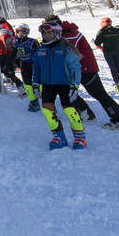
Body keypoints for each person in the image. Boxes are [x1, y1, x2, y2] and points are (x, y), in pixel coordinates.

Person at [44, 14, 119, 130]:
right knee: (67, 91)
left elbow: (64, 53)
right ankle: (86, 114)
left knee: (99, 94)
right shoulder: (62, 33)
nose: (48, 31)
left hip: (86, 69)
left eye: (50, 27)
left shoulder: (69, 33)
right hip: (75, 69)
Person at [32, 22, 85, 150]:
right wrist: (35, 84)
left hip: (65, 84)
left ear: (57, 33)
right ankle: (59, 136)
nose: (47, 36)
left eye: (49, 33)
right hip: (47, 85)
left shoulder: (65, 49)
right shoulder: (40, 49)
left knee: (69, 110)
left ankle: (79, 136)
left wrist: (74, 85)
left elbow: (75, 67)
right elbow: (36, 68)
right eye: (44, 33)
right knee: (47, 111)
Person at [93, 17, 119, 93]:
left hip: (108, 53)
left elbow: (97, 43)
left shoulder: (102, 32)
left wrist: (102, 46)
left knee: (114, 69)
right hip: (118, 52)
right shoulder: (117, 30)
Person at [13, 24, 41, 112]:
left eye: (22, 31)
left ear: (27, 32)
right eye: (18, 31)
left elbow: (39, 53)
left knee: (39, 84)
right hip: (24, 65)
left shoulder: (32, 42)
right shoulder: (16, 43)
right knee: (27, 85)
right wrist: (11, 64)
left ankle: (48, 102)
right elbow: (13, 55)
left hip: (34, 64)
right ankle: (34, 102)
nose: (20, 33)